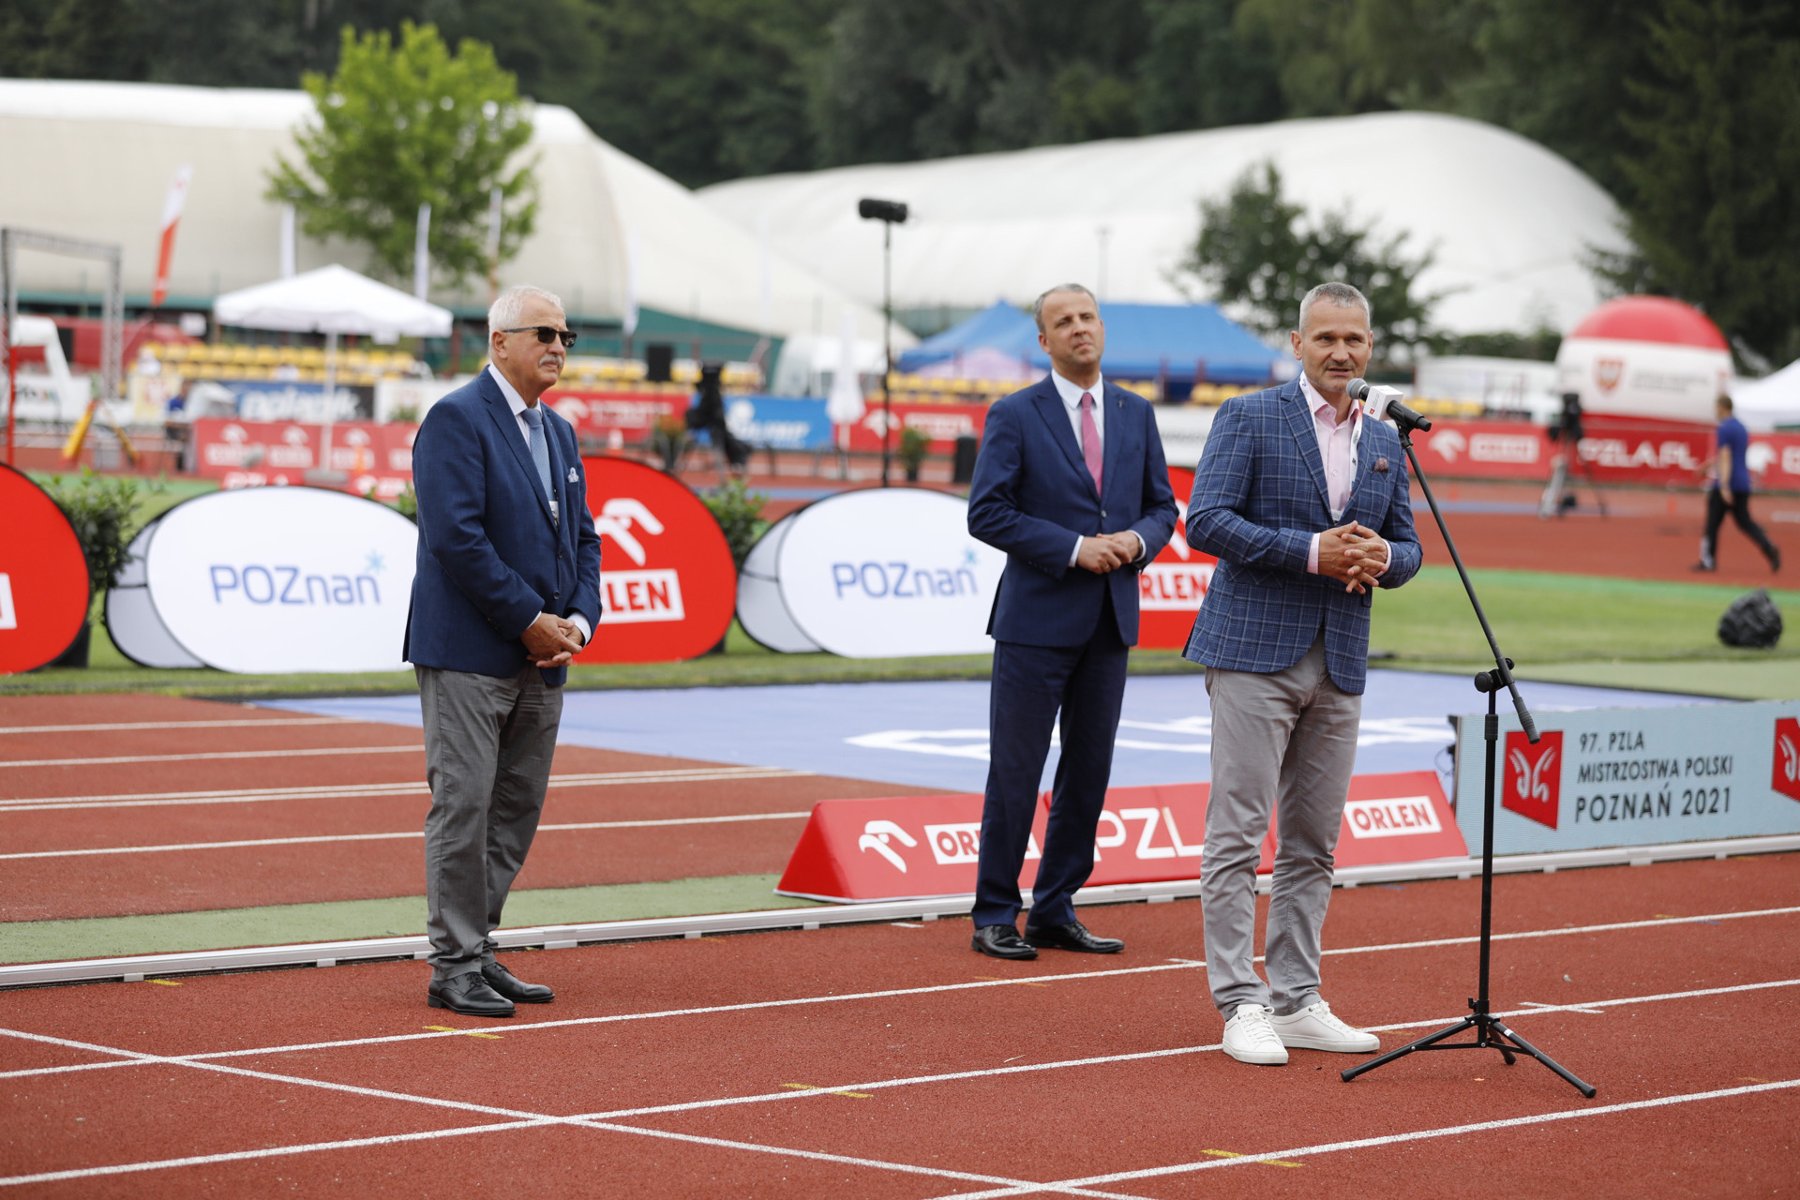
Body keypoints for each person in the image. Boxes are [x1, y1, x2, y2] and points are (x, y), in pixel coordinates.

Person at [1184, 282, 1422, 1065]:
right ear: (1297, 343)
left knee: (1314, 842)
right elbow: (1206, 521)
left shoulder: (1387, 438)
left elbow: (1408, 547)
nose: (1341, 352)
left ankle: (1295, 997)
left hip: (1342, 657)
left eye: (1354, 340)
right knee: (1238, 835)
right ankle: (1239, 1001)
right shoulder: (1248, 416)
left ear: (1370, 347)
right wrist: (1314, 549)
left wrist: (1384, 558)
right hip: (1253, 650)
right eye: (1325, 338)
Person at [404, 284, 603, 1017]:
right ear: (499, 342)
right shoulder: (456, 419)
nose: (558, 345)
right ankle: (452, 963)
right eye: (544, 332)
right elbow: (456, 537)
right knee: (465, 807)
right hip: (469, 652)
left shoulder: (560, 432)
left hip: (544, 656)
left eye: (565, 335)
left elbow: (584, 537)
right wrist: (529, 619)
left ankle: (477, 948)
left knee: (514, 809)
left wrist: (578, 620)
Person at [964, 283, 1177, 961]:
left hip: (1109, 622)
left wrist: (1138, 543)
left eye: (1087, 317)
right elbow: (986, 512)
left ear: (1102, 328)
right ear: (1044, 341)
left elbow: (1162, 507)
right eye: (1064, 321)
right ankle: (995, 912)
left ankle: (1055, 907)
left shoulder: (1136, 413)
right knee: (1016, 772)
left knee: (1088, 773)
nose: (1079, 328)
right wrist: (1073, 548)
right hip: (1033, 624)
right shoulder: (1014, 414)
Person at [1694, 394, 1780, 574]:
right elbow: (1730, 454)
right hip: (1742, 482)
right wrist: (1708, 465)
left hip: (1726, 484)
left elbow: (1725, 455)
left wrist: (1724, 485)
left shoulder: (1724, 428)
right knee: (1745, 522)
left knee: (1712, 524)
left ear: (1723, 407)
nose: (1715, 411)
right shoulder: (1741, 428)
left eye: (1716, 407)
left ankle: (1708, 560)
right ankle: (1768, 547)